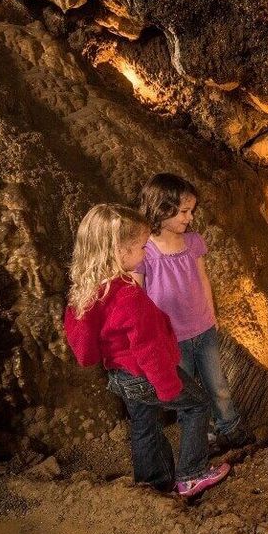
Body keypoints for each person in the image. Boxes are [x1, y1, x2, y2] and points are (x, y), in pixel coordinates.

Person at [63, 203, 230, 497]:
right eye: (141, 247)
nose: (145, 253)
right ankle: (192, 474)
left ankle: (153, 485)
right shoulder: (128, 296)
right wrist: (167, 386)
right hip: (146, 374)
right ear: (119, 251)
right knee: (197, 405)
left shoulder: (88, 292)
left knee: (144, 425)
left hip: (119, 375)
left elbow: (86, 352)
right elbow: (148, 348)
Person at [136, 173, 251, 452]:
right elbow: (137, 296)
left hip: (203, 328)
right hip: (172, 337)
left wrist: (212, 316)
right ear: (162, 209)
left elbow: (203, 279)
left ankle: (231, 429)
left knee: (218, 384)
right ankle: (201, 439)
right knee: (186, 394)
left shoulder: (193, 242)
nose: (190, 218)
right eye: (184, 211)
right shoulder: (144, 250)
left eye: (191, 211)